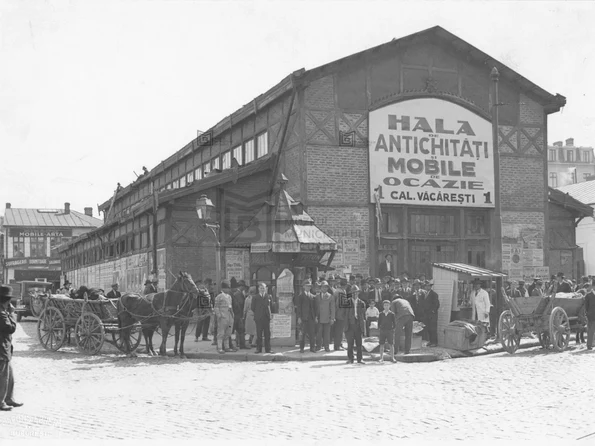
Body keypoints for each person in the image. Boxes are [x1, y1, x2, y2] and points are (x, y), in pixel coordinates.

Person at [0, 286, 22, 411]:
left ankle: (9, 398)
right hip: (1, 349)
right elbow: (10, 328)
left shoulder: (3, 311)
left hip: (4, 348)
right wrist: (12, 314)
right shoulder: (2, 313)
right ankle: (1, 402)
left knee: (9, 374)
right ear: (6, 301)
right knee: (3, 376)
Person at [343, 285, 366, 364]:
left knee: (359, 343)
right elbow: (344, 315)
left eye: (356, 292)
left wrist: (363, 327)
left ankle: (360, 359)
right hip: (349, 325)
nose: (354, 294)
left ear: (358, 293)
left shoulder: (362, 303)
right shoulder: (347, 302)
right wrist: (345, 326)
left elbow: (364, 315)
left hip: (358, 325)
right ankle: (350, 358)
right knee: (350, 343)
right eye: (353, 293)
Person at [295, 279, 318, 353]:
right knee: (302, 333)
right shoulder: (301, 296)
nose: (308, 287)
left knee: (312, 333)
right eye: (307, 286)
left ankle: (312, 348)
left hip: (311, 317)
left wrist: (316, 317)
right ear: (304, 287)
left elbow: (315, 308)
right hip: (303, 318)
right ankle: (301, 348)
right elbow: (299, 308)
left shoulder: (313, 296)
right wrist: (299, 317)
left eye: (309, 286)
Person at [214, 280, 236, 354]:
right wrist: (219, 315)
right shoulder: (219, 296)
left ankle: (227, 347)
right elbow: (216, 307)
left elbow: (231, 306)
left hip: (229, 316)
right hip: (222, 316)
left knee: (228, 333)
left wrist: (233, 315)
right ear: (223, 288)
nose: (228, 289)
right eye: (227, 288)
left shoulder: (229, 297)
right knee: (221, 333)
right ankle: (220, 347)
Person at [252, 282, 273, 354]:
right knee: (259, 334)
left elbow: (271, 306)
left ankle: (268, 349)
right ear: (258, 289)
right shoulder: (255, 297)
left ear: (266, 289)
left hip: (266, 318)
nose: (262, 289)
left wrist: (269, 314)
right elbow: (253, 307)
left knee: (267, 334)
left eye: (263, 288)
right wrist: (258, 313)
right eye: (261, 288)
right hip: (259, 318)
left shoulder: (269, 296)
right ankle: (258, 349)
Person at [316, 281, 335, 352]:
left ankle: (326, 346)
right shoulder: (317, 296)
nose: (324, 288)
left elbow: (332, 308)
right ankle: (318, 346)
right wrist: (315, 317)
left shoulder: (330, 296)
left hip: (327, 318)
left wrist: (332, 318)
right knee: (319, 333)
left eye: (326, 287)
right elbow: (316, 308)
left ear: (327, 288)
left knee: (327, 333)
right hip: (319, 318)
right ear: (320, 288)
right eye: (323, 287)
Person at [232, 280, 249, 349]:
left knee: (239, 330)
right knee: (241, 330)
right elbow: (240, 304)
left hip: (237, 314)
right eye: (243, 287)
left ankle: (238, 343)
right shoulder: (238, 294)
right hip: (238, 315)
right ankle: (241, 344)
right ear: (241, 287)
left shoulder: (237, 293)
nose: (244, 288)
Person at [424, 281, 440, 347]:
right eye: (426, 286)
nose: (427, 287)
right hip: (427, 314)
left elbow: (437, 304)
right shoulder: (425, 293)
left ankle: (434, 342)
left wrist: (433, 312)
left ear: (430, 286)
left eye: (428, 286)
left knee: (433, 328)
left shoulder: (434, 294)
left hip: (432, 315)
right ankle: (430, 341)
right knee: (429, 328)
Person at [585, 280, 595, 350]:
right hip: (592, 316)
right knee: (591, 331)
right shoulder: (588, 296)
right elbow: (586, 307)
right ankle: (589, 345)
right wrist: (588, 314)